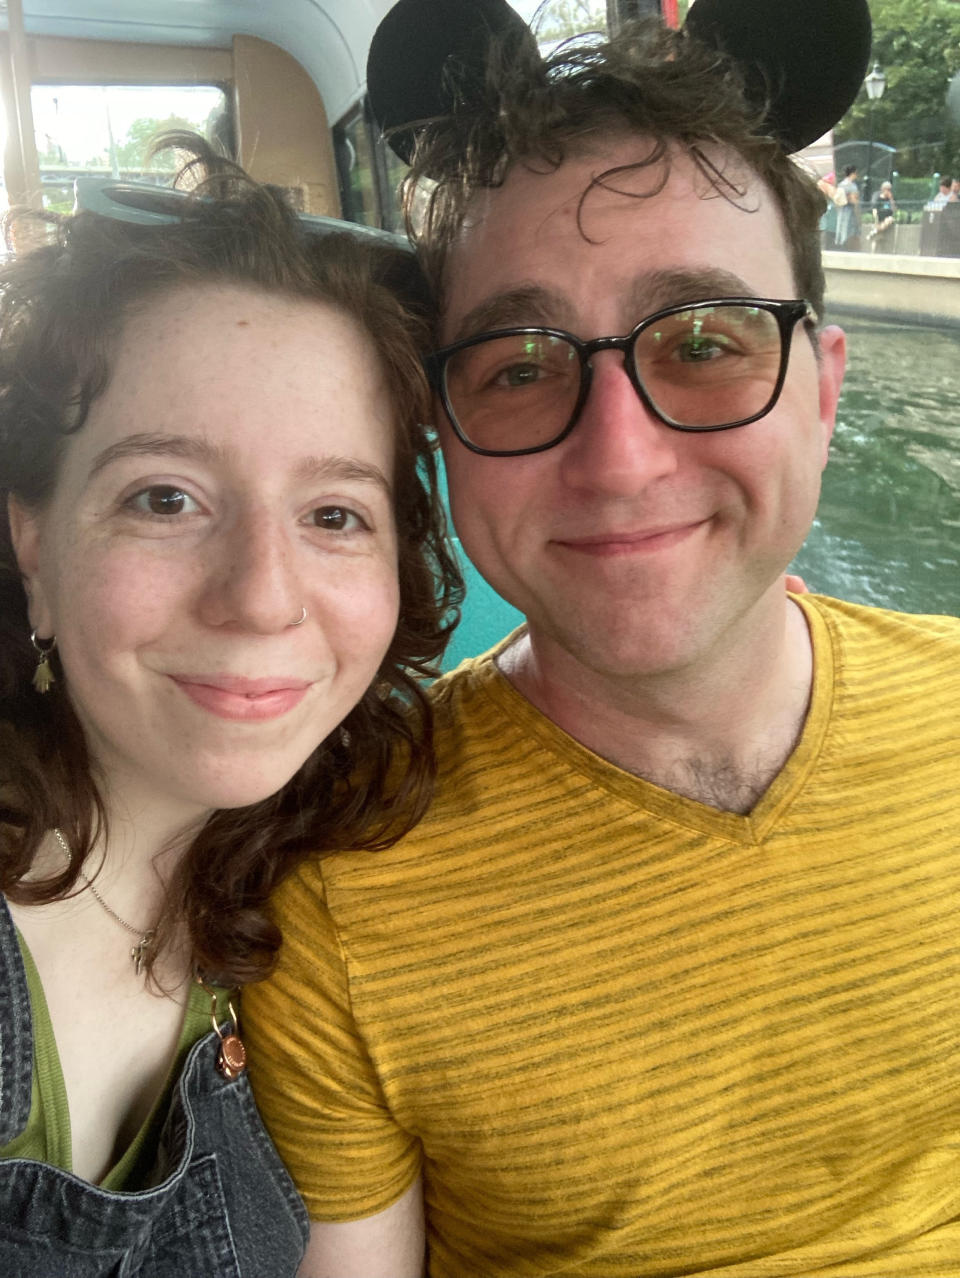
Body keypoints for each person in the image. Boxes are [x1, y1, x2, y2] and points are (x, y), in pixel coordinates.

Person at [244, 14, 960, 1278]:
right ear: (442, 434)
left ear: (824, 386)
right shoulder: (342, 872)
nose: (620, 461)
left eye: (703, 345)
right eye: (519, 366)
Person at [0, 162, 460, 1275]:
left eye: (334, 514)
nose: (261, 595)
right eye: (166, 497)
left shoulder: (299, 878)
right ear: (32, 548)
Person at [834, 162, 861, 249]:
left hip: (841, 210)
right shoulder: (852, 186)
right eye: (856, 173)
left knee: (841, 228)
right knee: (849, 229)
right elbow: (854, 200)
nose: (857, 175)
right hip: (850, 211)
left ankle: (840, 245)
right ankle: (848, 247)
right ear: (852, 173)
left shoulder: (841, 185)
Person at [868, 178, 897, 244]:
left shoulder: (891, 199)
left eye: (890, 190)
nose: (889, 191)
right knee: (877, 237)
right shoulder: (878, 198)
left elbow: (894, 210)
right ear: (883, 189)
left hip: (887, 219)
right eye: (887, 189)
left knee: (890, 219)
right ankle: (876, 232)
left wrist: (891, 199)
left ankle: (875, 231)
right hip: (879, 219)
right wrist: (876, 220)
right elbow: (874, 210)